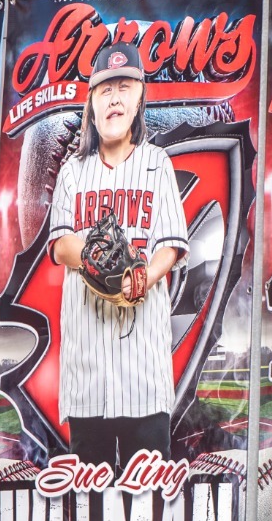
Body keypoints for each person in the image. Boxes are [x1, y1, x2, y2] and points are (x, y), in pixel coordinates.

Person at [48, 43, 189, 468]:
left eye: (124, 87)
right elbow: (60, 246)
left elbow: (171, 247)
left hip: (143, 370)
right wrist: (99, 265)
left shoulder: (156, 163)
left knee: (148, 507)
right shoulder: (74, 171)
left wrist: (141, 275)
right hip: (86, 367)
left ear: (139, 97)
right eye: (105, 89)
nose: (114, 98)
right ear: (91, 102)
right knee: (89, 509)